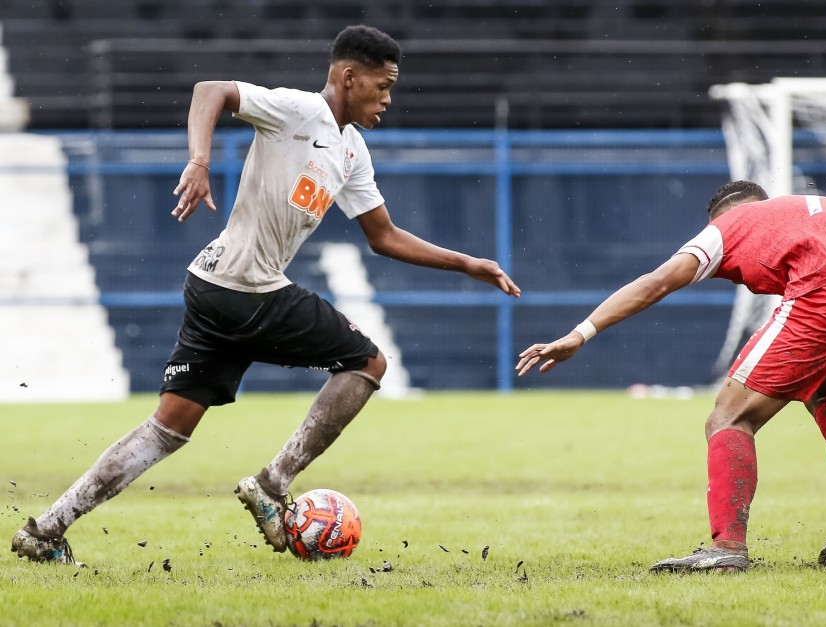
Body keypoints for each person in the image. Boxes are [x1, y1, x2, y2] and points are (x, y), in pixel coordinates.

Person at [11, 24, 520, 565]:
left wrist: (467, 263)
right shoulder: (299, 111)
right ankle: (272, 485)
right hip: (246, 289)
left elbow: (384, 235)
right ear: (349, 77)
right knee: (367, 363)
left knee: (167, 429)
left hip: (213, 287)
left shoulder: (351, 151)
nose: (389, 99)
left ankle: (47, 529)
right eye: (383, 84)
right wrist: (200, 162)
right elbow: (211, 90)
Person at [516, 180, 826, 573]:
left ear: (721, 213)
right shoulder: (813, 214)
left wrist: (580, 333)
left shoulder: (727, 225)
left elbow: (655, 283)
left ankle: (726, 548)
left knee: (729, 416)